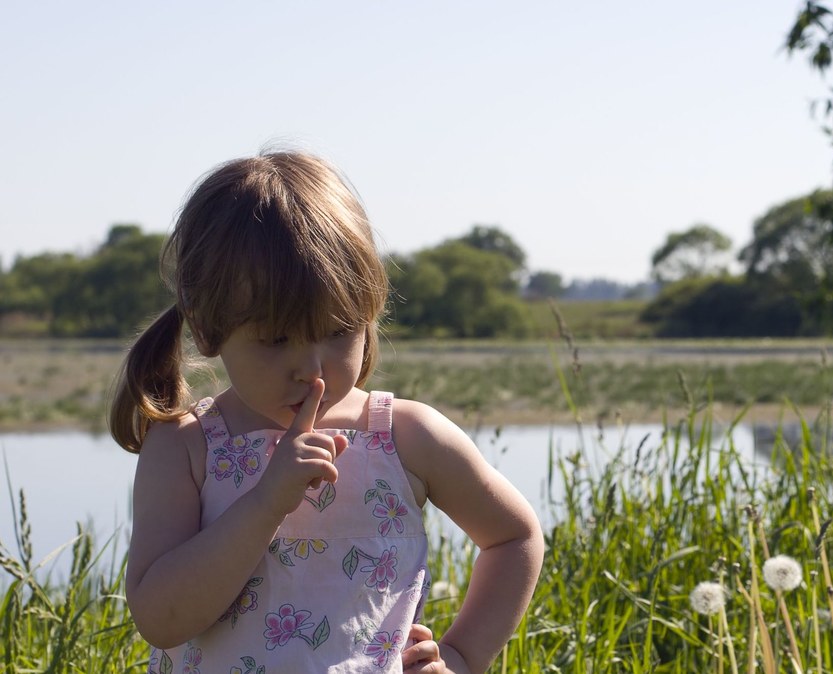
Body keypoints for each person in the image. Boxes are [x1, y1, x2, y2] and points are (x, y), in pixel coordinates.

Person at [110, 150, 544, 673]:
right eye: (275, 340)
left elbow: (515, 535)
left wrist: (461, 654)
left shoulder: (406, 437)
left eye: (339, 332)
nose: (312, 369)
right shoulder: (187, 446)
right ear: (207, 328)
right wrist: (267, 501)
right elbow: (160, 618)